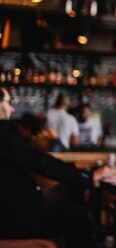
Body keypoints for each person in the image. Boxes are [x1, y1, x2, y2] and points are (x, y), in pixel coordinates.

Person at [0, 87, 102, 247]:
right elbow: (41, 162)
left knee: (68, 202)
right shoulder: (3, 136)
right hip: (11, 220)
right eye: (7, 102)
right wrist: (88, 177)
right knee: (78, 216)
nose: (12, 109)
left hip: (10, 212)